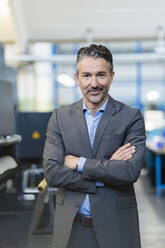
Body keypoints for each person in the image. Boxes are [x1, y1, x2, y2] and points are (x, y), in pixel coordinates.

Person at [43, 44, 146, 248]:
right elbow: (53, 173)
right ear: (77, 77)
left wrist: (79, 163)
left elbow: (130, 171)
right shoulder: (60, 118)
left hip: (117, 227)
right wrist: (107, 170)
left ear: (111, 76)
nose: (94, 83)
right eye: (87, 75)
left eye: (101, 75)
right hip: (72, 227)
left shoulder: (131, 117)